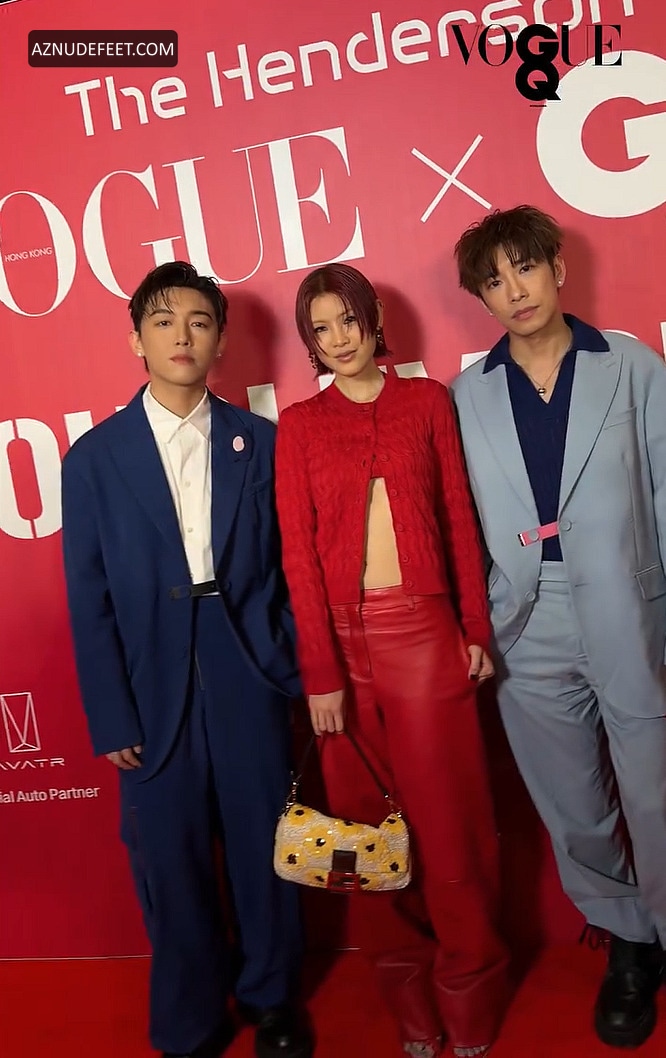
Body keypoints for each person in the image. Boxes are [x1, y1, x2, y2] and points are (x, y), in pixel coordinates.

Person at [61, 262, 312, 1058]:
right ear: (135, 339)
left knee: (264, 843)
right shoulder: (94, 459)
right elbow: (88, 596)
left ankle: (273, 999)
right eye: (163, 321)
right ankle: (192, 1014)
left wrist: (281, 661)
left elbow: (293, 568)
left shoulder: (260, 443)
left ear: (221, 341)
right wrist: (110, 713)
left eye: (199, 322)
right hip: (149, 680)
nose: (182, 335)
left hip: (247, 666)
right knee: (168, 859)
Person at [274, 263, 509, 1058]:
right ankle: (409, 999)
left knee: (452, 830)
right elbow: (298, 556)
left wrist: (473, 628)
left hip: (424, 632)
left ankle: (470, 993)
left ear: (374, 318)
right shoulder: (300, 426)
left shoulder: (427, 403)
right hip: (340, 652)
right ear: (310, 341)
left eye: (348, 319)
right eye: (321, 328)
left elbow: (456, 516)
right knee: (363, 842)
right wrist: (320, 673)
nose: (339, 339)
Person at [451, 204, 666, 1049]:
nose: (515, 290)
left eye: (525, 268)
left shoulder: (632, 366)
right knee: (573, 802)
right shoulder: (467, 396)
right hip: (525, 621)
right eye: (493, 280)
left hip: (628, 606)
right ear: (480, 298)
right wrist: (479, 619)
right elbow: (460, 521)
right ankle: (629, 941)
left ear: (557, 269)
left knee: (655, 787)